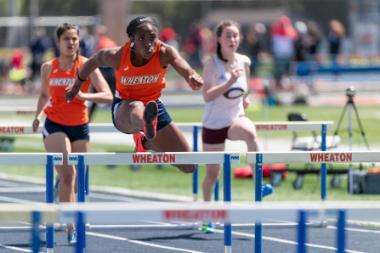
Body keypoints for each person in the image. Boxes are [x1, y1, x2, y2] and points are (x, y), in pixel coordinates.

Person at [66, 16, 203, 173]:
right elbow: (92, 62)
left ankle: (147, 141)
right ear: (132, 39)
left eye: (152, 37)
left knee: (189, 165)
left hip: (153, 106)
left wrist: (191, 76)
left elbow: (182, 64)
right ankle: (147, 128)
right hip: (124, 108)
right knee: (137, 106)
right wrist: (76, 85)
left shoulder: (164, 52)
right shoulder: (117, 55)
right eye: (142, 38)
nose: (148, 43)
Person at [32, 23, 113, 245]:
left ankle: (65, 189)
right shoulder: (48, 67)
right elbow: (43, 94)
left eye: (75, 39)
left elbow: (108, 95)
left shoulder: (86, 65)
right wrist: (38, 115)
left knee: (79, 181)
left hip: (80, 125)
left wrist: (85, 97)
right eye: (67, 39)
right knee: (70, 173)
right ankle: (71, 226)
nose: (71, 43)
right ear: (58, 42)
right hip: (55, 124)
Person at [201, 20, 272, 232]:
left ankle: (258, 183)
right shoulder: (212, 64)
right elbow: (207, 96)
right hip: (214, 124)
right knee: (213, 174)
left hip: (234, 119)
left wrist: (245, 99)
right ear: (219, 40)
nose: (232, 40)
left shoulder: (244, 62)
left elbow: (246, 88)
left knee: (250, 132)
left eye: (235, 36)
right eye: (228, 36)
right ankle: (207, 215)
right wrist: (229, 82)